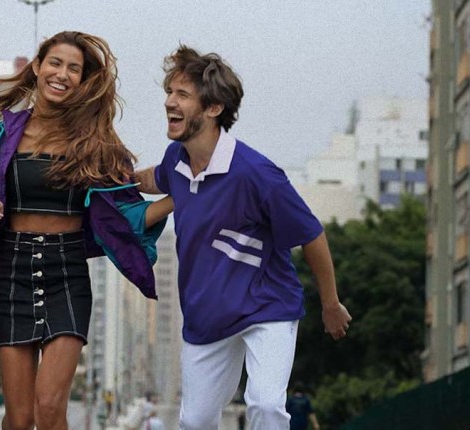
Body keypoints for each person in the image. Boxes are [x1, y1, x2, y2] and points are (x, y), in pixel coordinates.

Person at [135, 45, 353, 430]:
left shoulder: (257, 174)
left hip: (266, 308)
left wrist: (331, 303)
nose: (169, 101)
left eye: (182, 94)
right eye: (169, 92)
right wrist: (107, 173)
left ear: (213, 108)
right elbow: (153, 179)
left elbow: (312, 235)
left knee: (266, 406)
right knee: (196, 421)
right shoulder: (177, 159)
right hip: (206, 318)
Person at [0, 31, 171, 430]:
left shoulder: (95, 143)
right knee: (19, 417)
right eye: (55, 63)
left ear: (83, 80)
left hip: (68, 276)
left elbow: (127, 213)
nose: (62, 74)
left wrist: (182, 195)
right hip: (11, 274)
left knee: (49, 409)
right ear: (38, 67)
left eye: (74, 69)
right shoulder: (1, 136)